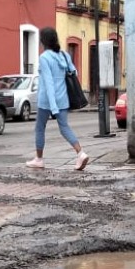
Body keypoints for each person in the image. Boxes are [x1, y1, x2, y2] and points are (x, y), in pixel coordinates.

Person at [26, 27, 89, 171]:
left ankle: (39, 159)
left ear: (43, 41)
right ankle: (81, 153)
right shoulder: (64, 55)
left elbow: (48, 82)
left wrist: (52, 107)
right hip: (63, 98)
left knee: (40, 128)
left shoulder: (44, 58)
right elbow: (74, 72)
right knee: (64, 127)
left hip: (47, 100)